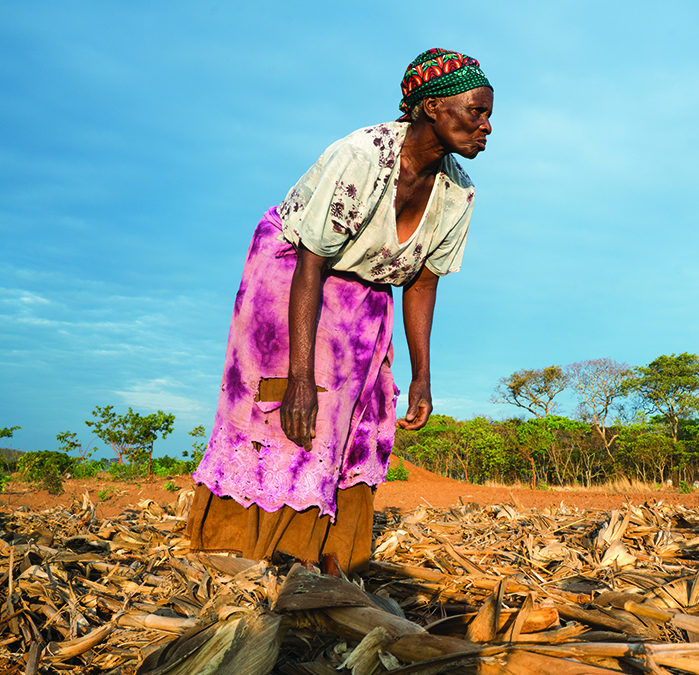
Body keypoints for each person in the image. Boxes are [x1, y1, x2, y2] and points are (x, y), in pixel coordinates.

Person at [186, 48, 493, 576]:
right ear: (431, 108)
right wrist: (301, 377)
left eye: (488, 116)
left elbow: (421, 282)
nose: (485, 127)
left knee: (364, 410)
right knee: (294, 403)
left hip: (367, 285)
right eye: (475, 111)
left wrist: (422, 377)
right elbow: (312, 262)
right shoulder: (363, 156)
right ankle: (248, 549)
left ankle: (332, 556)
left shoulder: (458, 192)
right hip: (290, 272)